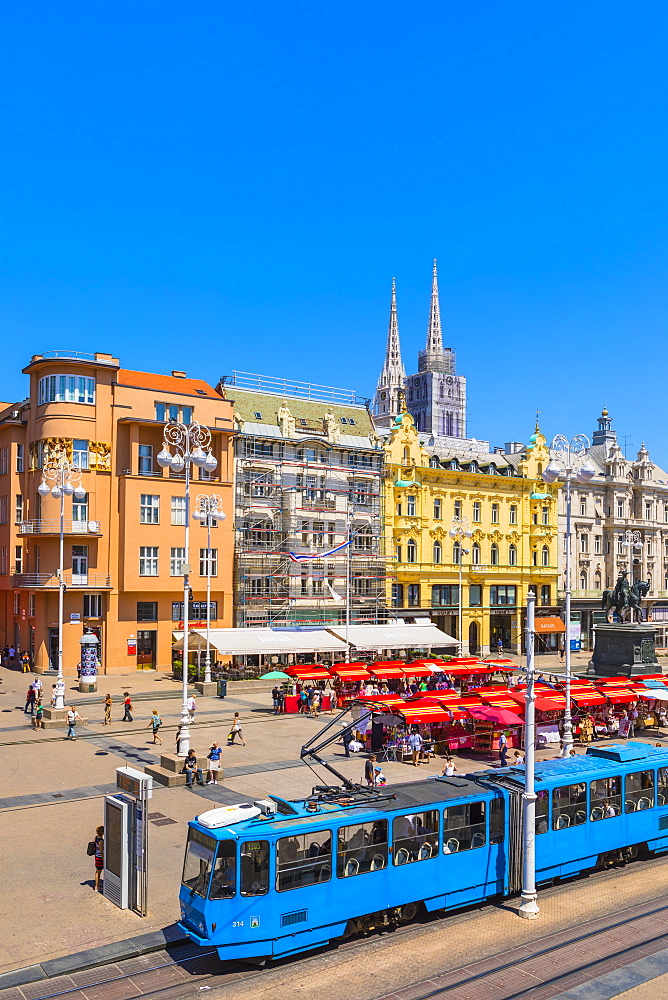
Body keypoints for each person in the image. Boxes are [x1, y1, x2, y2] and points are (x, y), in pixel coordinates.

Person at [93, 825, 104, 891]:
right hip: (100, 857)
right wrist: (104, 859)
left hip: (96, 856)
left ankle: (97, 884)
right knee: (99, 871)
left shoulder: (96, 838)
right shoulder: (101, 841)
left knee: (97, 871)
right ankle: (97, 886)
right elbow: (101, 851)